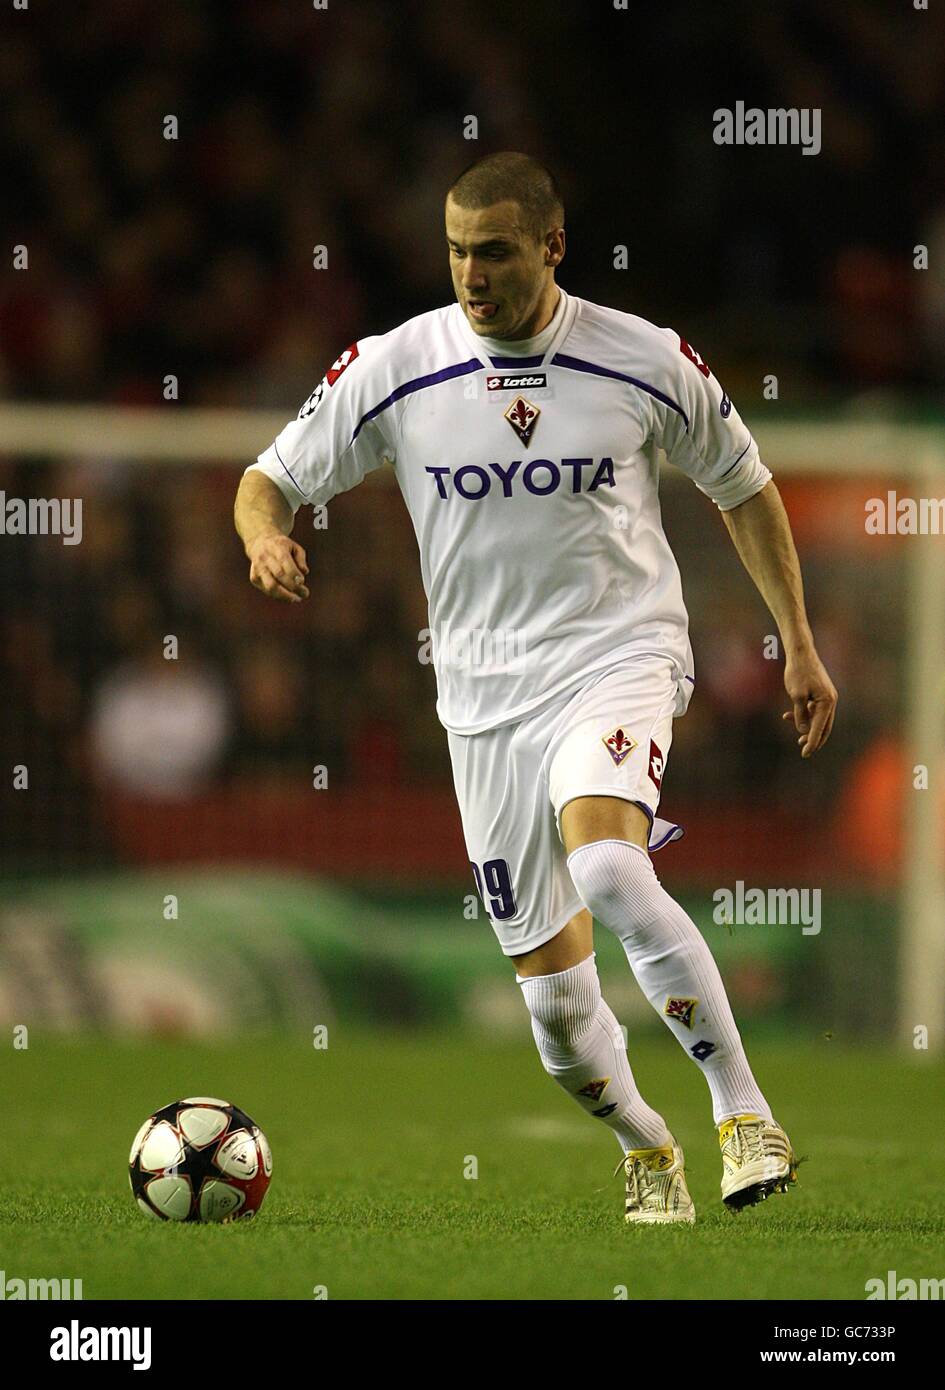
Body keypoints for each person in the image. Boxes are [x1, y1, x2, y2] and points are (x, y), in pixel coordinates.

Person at [234, 150, 838, 1224]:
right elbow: (266, 477)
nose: (472, 272)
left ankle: (744, 1111)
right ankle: (649, 1142)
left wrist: (796, 638)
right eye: (459, 250)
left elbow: (743, 486)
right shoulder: (395, 363)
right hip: (482, 703)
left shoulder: (642, 358)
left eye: (497, 250)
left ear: (552, 247)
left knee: (609, 864)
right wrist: (265, 536)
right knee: (560, 1021)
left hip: (620, 655)